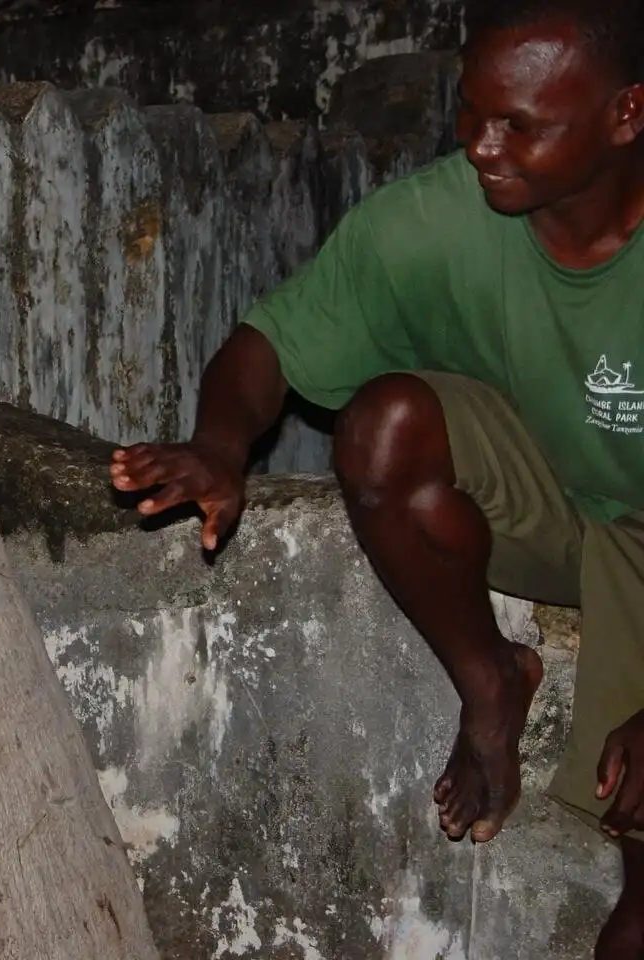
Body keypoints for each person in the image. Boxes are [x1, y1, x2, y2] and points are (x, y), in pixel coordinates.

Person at [109, 1, 644, 955]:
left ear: (627, 114)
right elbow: (269, 346)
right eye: (471, 110)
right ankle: (491, 682)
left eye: (519, 124)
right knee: (384, 424)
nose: (480, 145)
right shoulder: (442, 215)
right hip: (558, 504)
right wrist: (220, 446)